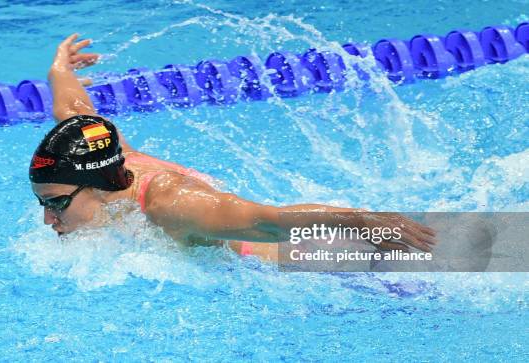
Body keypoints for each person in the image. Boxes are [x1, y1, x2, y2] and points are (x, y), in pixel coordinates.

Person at [30, 34, 436, 262]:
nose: (49, 220)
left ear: (98, 185)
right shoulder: (101, 154)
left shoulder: (169, 203)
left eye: (57, 203)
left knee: (428, 270)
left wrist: (364, 222)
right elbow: (74, 109)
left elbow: (268, 222)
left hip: (297, 256)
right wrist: (59, 70)